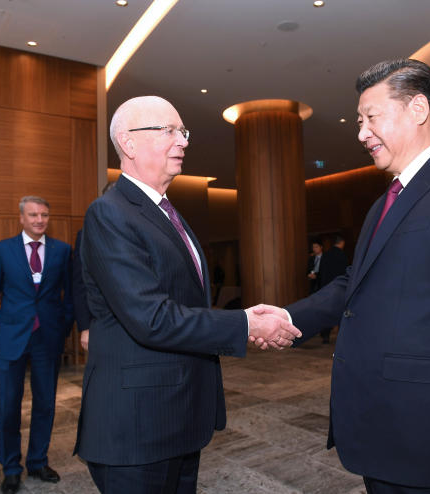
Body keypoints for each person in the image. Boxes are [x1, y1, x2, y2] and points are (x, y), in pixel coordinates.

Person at [253, 59, 430, 493]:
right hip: (383, 429)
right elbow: (355, 284)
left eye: (371, 117)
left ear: (418, 109)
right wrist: (288, 318)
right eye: (359, 121)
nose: (361, 133)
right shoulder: (385, 202)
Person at [74, 95, 301, 494]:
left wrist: (243, 319)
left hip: (177, 416)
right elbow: (151, 318)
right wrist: (245, 324)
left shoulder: (166, 212)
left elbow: (183, 303)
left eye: (183, 132)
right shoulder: (110, 212)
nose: (183, 141)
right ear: (128, 143)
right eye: (169, 131)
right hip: (137, 428)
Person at [0, 196, 73, 494]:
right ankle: (11, 469)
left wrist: (63, 330)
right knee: (8, 406)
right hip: (10, 338)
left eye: (44, 215)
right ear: (21, 218)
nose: (39, 220)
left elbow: (70, 295)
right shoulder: (2, 250)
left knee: (45, 403)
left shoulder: (62, 250)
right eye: (33, 215)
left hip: (48, 338)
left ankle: (38, 462)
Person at [72, 181, 116, 351]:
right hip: (102, 321)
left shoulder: (143, 232)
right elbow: (80, 283)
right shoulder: (87, 234)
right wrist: (85, 327)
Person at [317, 235, 348, 343]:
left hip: (326, 287)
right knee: (341, 312)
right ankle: (342, 337)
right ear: (342, 243)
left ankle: (325, 336)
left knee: (326, 312)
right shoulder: (342, 255)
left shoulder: (326, 255)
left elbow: (321, 272)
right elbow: (345, 273)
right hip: (339, 288)